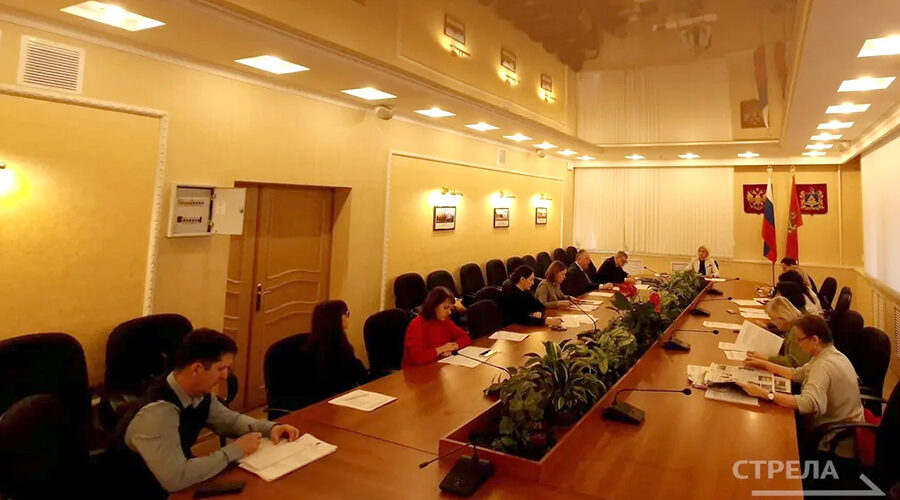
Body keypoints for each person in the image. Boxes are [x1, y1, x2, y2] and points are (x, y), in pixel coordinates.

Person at [108, 329, 300, 499]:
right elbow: (176, 478)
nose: (225, 376)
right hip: (141, 491)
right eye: (221, 369)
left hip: (176, 483)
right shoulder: (158, 413)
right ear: (197, 369)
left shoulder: (197, 393)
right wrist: (235, 450)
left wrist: (271, 428)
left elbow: (230, 421)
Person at [737, 315, 864, 455]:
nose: (797, 343)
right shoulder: (830, 354)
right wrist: (764, 364)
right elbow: (797, 374)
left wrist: (766, 394)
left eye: (799, 339)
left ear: (814, 340)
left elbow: (808, 403)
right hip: (842, 425)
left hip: (833, 438)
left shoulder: (823, 366)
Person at [302, 300, 370, 402]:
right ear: (339, 318)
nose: (348, 318)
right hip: (332, 404)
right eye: (346, 313)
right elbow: (360, 375)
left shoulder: (311, 346)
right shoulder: (338, 350)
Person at [403, 286, 472, 365]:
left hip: (437, 365)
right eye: (445, 308)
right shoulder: (416, 324)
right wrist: (442, 349)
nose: (449, 312)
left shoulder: (445, 321)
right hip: (416, 369)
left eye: (450, 308)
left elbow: (465, 337)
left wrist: (453, 346)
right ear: (433, 306)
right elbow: (417, 357)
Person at [762, 296, 810, 368]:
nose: (772, 322)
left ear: (782, 318)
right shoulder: (793, 325)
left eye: (773, 319)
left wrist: (766, 358)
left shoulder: (796, 331)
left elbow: (794, 362)